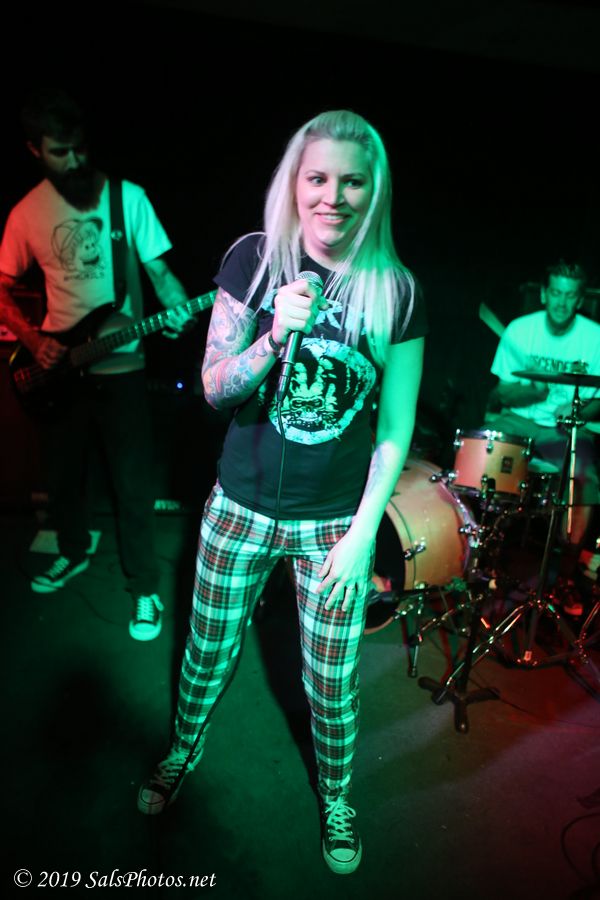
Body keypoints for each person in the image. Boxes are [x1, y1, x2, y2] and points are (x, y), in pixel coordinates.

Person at [137, 109, 426, 875]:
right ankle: (182, 749)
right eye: (318, 178)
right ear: (295, 183)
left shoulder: (396, 291)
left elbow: (395, 427)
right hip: (239, 506)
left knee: (331, 681)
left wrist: (364, 534)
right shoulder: (256, 260)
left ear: (374, 191)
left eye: (352, 182)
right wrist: (272, 335)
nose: (333, 197)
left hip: (333, 526)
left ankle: (337, 795)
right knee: (206, 652)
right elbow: (213, 391)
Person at [0, 88, 193, 641]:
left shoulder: (127, 199)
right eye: (60, 151)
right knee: (63, 475)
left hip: (122, 368)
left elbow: (161, 274)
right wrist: (33, 340)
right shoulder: (27, 213)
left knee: (132, 485)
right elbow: (3, 288)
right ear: (35, 150)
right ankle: (73, 549)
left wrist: (178, 307)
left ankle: (145, 587)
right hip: (59, 368)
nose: (75, 161)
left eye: (80, 148)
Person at [485, 260, 600, 614]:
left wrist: (579, 411)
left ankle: (565, 575)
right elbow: (502, 393)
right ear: (545, 294)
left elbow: (599, 398)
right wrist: (530, 392)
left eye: (570, 295)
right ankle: (481, 563)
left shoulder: (594, 338)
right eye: (556, 293)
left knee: (586, 477)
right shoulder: (520, 331)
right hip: (519, 420)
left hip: (564, 429)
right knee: (483, 461)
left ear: (579, 299)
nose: (562, 303)